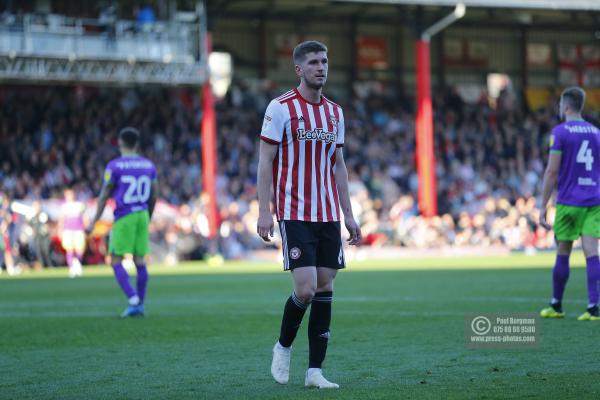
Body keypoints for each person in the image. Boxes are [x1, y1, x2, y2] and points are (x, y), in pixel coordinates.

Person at [256, 40, 362, 389]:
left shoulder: (335, 112)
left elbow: (339, 167)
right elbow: (265, 163)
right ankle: (283, 346)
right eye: (314, 62)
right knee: (305, 289)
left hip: (328, 212)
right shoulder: (280, 108)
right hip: (294, 211)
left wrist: (349, 215)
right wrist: (264, 211)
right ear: (299, 69)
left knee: (326, 285)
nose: (322, 67)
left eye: (325, 61)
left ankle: (315, 371)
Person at [539, 86, 600, 321]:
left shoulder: (560, 132)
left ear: (565, 105)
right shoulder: (596, 132)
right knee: (592, 253)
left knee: (563, 251)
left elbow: (552, 170)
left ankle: (556, 306)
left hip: (569, 200)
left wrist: (542, 205)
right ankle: (593, 308)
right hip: (594, 200)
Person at [86, 127, 158, 318]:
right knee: (140, 260)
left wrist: (94, 221)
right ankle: (140, 304)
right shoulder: (148, 166)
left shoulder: (114, 166)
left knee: (116, 260)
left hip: (125, 215)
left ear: (119, 142)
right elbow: (154, 194)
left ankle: (133, 298)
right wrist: (148, 216)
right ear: (137, 144)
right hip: (142, 213)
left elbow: (104, 195)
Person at [59, 187, 87, 278]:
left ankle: (78, 264)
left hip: (78, 229)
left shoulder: (79, 205)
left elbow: (85, 218)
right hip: (68, 230)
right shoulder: (64, 206)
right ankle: (71, 266)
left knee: (79, 248)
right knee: (69, 248)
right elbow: (61, 219)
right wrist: (60, 230)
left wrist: (86, 228)